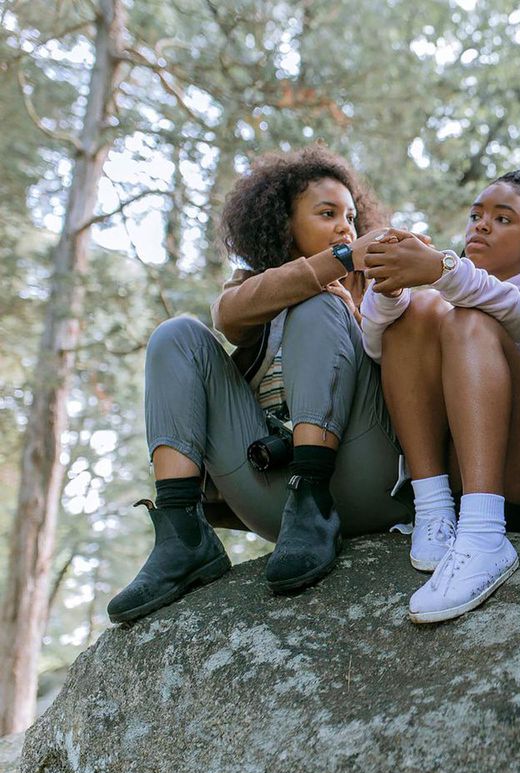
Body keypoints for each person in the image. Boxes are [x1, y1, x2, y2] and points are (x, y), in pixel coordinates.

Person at [107, 146, 412, 623]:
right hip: (276, 505)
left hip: (366, 474)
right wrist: (334, 261)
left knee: (319, 304)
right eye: (327, 214)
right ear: (283, 223)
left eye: (351, 217)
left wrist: (350, 283)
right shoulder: (251, 288)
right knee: (176, 335)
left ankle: (315, 495)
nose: (346, 228)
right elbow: (227, 318)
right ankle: (182, 535)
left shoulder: (374, 284)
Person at [358, 170, 520, 623]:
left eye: (502, 218)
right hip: (451, 472)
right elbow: (375, 347)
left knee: (469, 319)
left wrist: (444, 270)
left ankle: (485, 534)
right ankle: (431, 511)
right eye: (476, 215)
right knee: (422, 308)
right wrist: (390, 292)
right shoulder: (438, 291)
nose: (481, 225)